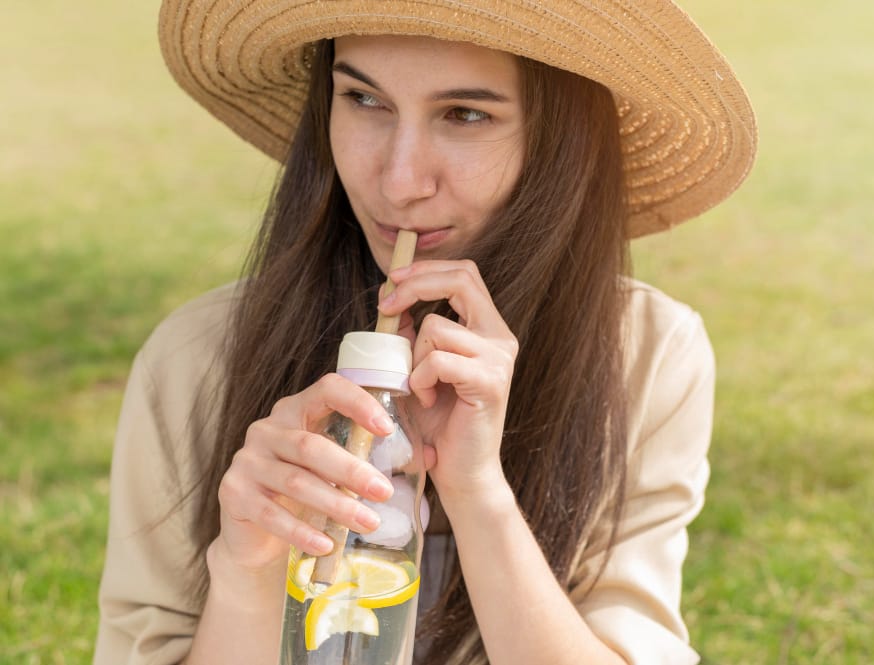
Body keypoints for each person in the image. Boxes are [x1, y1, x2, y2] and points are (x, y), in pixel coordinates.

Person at [94, 1, 756, 664]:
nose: (399, 180)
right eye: (362, 98)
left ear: (563, 140)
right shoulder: (196, 360)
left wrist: (478, 495)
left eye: (466, 114)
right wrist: (247, 570)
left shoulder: (646, 354)